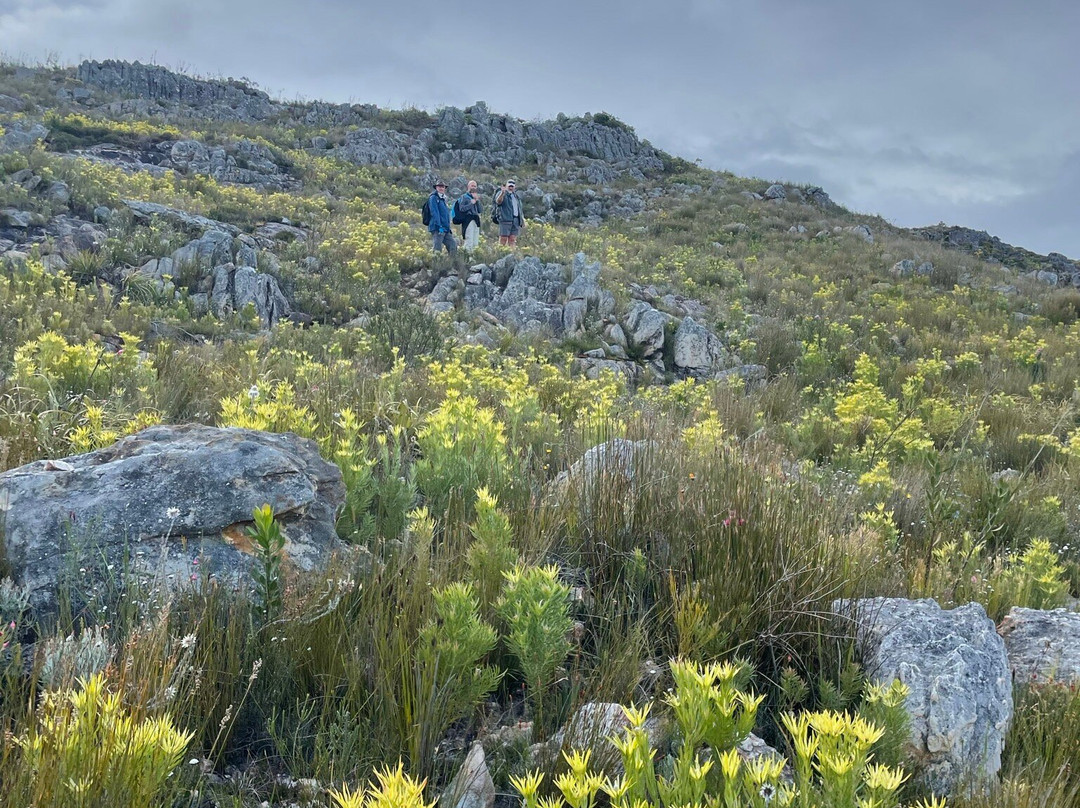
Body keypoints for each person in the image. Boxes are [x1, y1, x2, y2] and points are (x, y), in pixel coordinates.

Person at [428, 179, 457, 256]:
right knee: (437, 249)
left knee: (452, 245)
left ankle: (452, 263)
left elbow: (446, 215)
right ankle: (436, 265)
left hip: (445, 228)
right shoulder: (433, 198)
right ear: (436, 188)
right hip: (437, 228)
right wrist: (438, 226)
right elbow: (434, 212)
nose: (441, 188)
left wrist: (448, 228)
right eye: (439, 186)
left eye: (443, 187)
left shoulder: (443, 199)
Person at [494, 179, 524, 247]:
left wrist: (521, 219)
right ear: (507, 186)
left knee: (512, 239)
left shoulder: (516, 196)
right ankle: (501, 252)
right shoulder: (502, 193)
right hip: (505, 219)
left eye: (512, 186)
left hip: (515, 220)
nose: (511, 187)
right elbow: (498, 202)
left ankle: (512, 254)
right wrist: (502, 193)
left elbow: (519, 208)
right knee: (503, 239)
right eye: (509, 186)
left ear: (514, 187)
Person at [457, 180, 482, 250]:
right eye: (472, 186)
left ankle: (474, 258)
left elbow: (480, 210)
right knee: (469, 240)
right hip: (468, 220)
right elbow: (461, 209)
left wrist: (477, 201)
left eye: (475, 186)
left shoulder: (476, 197)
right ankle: (467, 257)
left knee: (475, 242)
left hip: (476, 220)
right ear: (468, 187)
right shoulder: (464, 197)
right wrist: (471, 203)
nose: (473, 187)